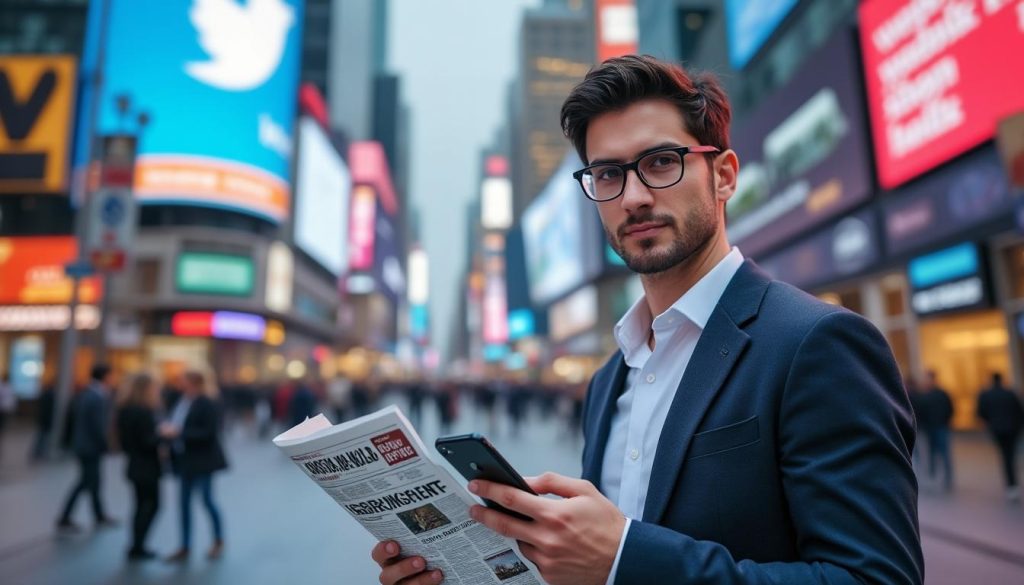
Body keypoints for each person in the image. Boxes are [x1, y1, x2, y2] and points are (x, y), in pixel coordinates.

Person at [372, 55, 922, 585]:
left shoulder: (817, 344)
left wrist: (624, 559)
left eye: (661, 162)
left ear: (724, 175)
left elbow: (873, 575)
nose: (632, 197)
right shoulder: (609, 379)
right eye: (608, 174)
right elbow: (600, 565)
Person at [162, 369, 228, 562]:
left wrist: (178, 433)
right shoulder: (182, 401)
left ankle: (217, 540)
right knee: (183, 503)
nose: (181, 384)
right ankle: (185, 545)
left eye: (185, 381)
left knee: (207, 500)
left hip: (202, 460)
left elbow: (209, 433)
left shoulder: (207, 402)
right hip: (184, 459)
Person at [57, 364, 118, 531]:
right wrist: (106, 445)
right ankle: (65, 517)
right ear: (105, 376)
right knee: (86, 481)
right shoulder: (95, 395)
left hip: (85, 445)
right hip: (89, 447)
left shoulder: (89, 393)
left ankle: (98, 515)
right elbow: (97, 426)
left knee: (93, 481)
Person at [116, 373, 164, 560]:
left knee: (139, 506)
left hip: (133, 463)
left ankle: (136, 545)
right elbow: (147, 441)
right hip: (147, 466)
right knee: (151, 505)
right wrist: (163, 435)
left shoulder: (125, 409)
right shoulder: (142, 411)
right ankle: (138, 545)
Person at [976, 372, 1024, 501]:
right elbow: (1019, 412)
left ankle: (1011, 485)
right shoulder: (1010, 393)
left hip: (998, 431)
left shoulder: (986, 395)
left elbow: (981, 413)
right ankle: (1013, 484)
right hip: (1012, 430)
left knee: (1005, 456)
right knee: (1010, 456)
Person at [921, 370, 954, 491]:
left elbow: (950, 409)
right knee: (932, 453)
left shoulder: (941, 393)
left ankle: (947, 477)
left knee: (944, 453)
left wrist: (945, 421)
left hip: (940, 427)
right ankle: (933, 476)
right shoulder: (926, 394)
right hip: (931, 428)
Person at [0, 371, 15, 461]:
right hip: (1, 410)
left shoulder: (9, 386)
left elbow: (11, 400)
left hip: (5, 411)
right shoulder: (1, 386)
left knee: (2, 430)